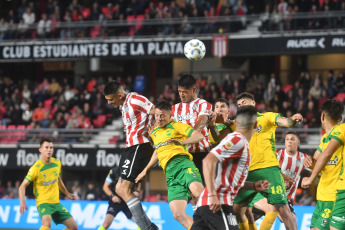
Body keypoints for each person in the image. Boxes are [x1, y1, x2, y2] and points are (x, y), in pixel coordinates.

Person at [191, 105, 270, 230]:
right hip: (217, 204)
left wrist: (253, 186)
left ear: (235, 122)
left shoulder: (240, 143)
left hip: (209, 204)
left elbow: (230, 179)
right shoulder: (237, 140)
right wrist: (212, 195)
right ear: (255, 125)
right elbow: (208, 161)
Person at [233, 92, 302, 230]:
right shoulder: (236, 124)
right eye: (239, 105)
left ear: (253, 103)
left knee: (283, 210)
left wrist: (292, 120)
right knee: (237, 210)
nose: (241, 106)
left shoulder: (266, 117)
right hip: (246, 172)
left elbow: (286, 122)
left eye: (244, 103)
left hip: (268, 169)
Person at [135, 100, 205, 229]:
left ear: (169, 115)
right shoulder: (154, 132)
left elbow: (199, 136)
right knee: (178, 214)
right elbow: (158, 151)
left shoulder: (176, 126)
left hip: (183, 165)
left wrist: (183, 143)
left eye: (162, 116)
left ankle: (225, 221)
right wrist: (145, 170)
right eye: (156, 115)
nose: (159, 118)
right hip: (170, 174)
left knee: (199, 193)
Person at [103, 81, 158, 230]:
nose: (108, 102)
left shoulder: (135, 99)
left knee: (123, 189)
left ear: (120, 95)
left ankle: (148, 228)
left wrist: (158, 130)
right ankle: (150, 227)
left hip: (139, 146)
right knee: (121, 189)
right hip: (131, 148)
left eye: (110, 99)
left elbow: (156, 111)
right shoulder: (123, 105)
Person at [247, 131, 312, 225]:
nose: (289, 141)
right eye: (287, 139)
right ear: (285, 142)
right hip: (268, 194)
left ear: (298, 142)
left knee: (292, 221)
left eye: (292, 139)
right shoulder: (276, 154)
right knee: (251, 218)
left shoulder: (304, 158)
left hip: (286, 199)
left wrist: (309, 179)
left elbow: (319, 171)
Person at [301, 99, 344, 230]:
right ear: (340, 117)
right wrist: (309, 162)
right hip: (322, 196)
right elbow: (316, 162)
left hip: (336, 194)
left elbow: (325, 156)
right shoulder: (324, 139)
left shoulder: (341, 129)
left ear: (322, 116)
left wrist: (311, 178)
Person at [19, 138, 78, 230]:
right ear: (40, 150)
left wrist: (67, 193)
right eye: (46, 147)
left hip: (56, 203)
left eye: (51, 147)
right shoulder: (36, 168)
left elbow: (58, 179)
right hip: (43, 202)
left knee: (73, 227)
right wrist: (22, 201)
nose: (49, 150)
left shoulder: (57, 163)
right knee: (47, 223)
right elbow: (22, 186)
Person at [171, 74, 212, 181]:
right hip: (184, 155)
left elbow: (201, 122)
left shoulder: (203, 104)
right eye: (179, 91)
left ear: (194, 90)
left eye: (185, 92)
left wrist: (187, 140)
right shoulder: (174, 109)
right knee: (189, 192)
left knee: (203, 191)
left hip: (202, 154)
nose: (181, 95)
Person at [98, 166, 139, 230]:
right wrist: (112, 196)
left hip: (127, 201)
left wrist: (137, 191)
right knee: (106, 224)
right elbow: (105, 187)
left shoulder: (133, 171)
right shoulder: (114, 171)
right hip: (115, 202)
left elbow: (139, 183)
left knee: (140, 223)